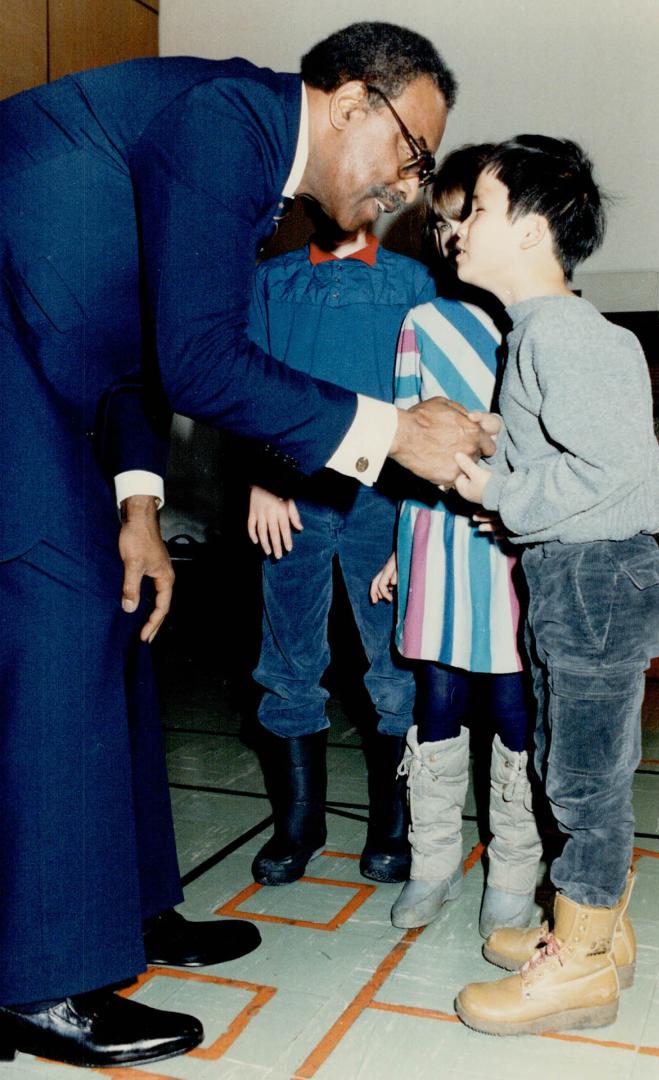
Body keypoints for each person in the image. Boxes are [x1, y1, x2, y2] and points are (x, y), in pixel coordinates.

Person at [0, 22, 496, 1069]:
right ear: (355, 100)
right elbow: (198, 361)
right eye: (411, 154)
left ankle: (125, 917)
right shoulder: (229, 119)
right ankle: (41, 977)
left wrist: (139, 502)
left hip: (57, 365)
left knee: (124, 603)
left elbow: (132, 349)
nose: (410, 188)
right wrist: (396, 431)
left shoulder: (247, 171)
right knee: (61, 607)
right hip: (10, 350)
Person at [449, 136, 659, 1036]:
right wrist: (504, 446)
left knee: (583, 782)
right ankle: (599, 925)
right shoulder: (544, 332)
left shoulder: (566, 334)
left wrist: (499, 490)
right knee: (574, 767)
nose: (459, 227)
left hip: (593, 576)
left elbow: (621, 477)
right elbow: (570, 453)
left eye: (479, 211)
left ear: (536, 228)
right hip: (577, 574)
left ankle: (579, 966)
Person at [370, 146, 541, 937]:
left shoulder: (533, 321)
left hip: (510, 538)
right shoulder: (420, 324)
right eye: (440, 225)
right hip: (437, 536)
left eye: (466, 217)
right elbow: (409, 443)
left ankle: (514, 867)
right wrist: (403, 548)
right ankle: (434, 860)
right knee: (436, 700)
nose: (451, 236)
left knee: (513, 701)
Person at [245, 218, 435, 887]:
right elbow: (248, 388)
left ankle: (394, 824)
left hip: (382, 500)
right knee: (290, 657)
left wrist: (416, 513)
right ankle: (299, 825)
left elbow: (425, 403)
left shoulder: (412, 282)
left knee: (395, 664)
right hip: (291, 498)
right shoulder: (272, 280)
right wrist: (263, 479)